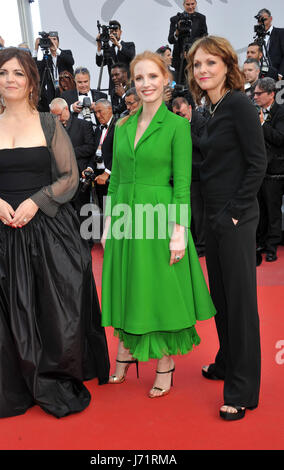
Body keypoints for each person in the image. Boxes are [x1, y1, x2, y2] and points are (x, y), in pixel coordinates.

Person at [0, 47, 110, 419]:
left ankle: (55, 371)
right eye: (4, 72)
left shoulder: (47, 124)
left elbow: (69, 177)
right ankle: (16, 379)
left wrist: (37, 201)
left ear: (31, 82)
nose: (10, 79)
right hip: (0, 232)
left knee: (56, 306)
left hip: (48, 228)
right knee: (9, 310)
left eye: (18, 73)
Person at [101, 51, 216, 399]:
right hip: (126, 217)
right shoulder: (121, 126)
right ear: (131, 84)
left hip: (160, 218)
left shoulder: (178, 126)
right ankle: (127, 348)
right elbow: (117, 178)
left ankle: (165, 361)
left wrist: (179, 232)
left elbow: (182, 185)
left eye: (153, 77)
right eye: (139, 78)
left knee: (158, 290)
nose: (146, 84)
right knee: (129, 283)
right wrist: (108, 223)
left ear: (165, 80)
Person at [187, 36, 267, 420]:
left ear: (227, 66)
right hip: (215, 218)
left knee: (240, 305)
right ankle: (225, 360)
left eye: (211, 63)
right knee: (220, 297)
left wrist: (235, 213)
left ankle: (243, 388)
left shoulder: (238, 105)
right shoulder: (209, 109)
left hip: (235, 218)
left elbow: (257, 163)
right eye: (198, 65)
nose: (203, 70)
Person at [254, 77, 284, 262]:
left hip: (275, 170)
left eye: (259, 93)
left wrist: (263, 124)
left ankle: (272, 246)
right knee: (260, 210)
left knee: (273, 211)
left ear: (271, 94)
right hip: (258, 169)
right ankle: (261, 243)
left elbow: (280, 138)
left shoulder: (280, 113)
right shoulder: (255, 112)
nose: (255, 96)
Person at [172, 96, 206, 256]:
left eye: (183, 115)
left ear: (190, 109)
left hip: (197, 174)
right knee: (184, 211)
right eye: (176, 115)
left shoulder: (201, 122)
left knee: (198, 213)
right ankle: (189, 242)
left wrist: (186, 132)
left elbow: (204, 146)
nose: (180, 118)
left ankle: (201, 245)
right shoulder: (173, 124)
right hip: (180, 174)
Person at [168, 0, 208, 84]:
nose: (190, 7)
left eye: (192, 4)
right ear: (183, 4)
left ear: (196, 4)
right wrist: (177, 32)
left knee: (195, 84)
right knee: (179, 84)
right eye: (188, 4)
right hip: (179, 60)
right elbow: (171, 40)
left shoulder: (201, 18)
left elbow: (204, 38)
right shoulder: (175, 19)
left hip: (196, 58)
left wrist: (191, 49)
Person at [33, 31, 74, 111]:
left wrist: (56, 50)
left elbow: (71, 61)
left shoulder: (66, 53)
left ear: (58, 42)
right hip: (52, 93)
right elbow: (34, 68)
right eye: (50, 40)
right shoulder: (46, 58)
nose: (52, 42)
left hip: (66, 89)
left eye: (54, 39)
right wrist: (36, 49)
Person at [96, 20, 136, 92]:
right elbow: (99, 63)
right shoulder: (108, 50)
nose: (114, 33)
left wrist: (118, 45)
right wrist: (99, 46)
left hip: (128, 85)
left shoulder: (129, 45)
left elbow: (132, 56)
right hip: (113, 87)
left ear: (120, 32)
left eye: (116, 30)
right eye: (111, 31)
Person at [255, 8, 284, 78]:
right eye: (259, 20)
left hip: (278, 76)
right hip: (262, 77)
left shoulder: (281, 32)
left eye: (264, 19)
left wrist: (280, 74)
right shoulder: (257, 39)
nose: (262, 22)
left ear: (271, 19)